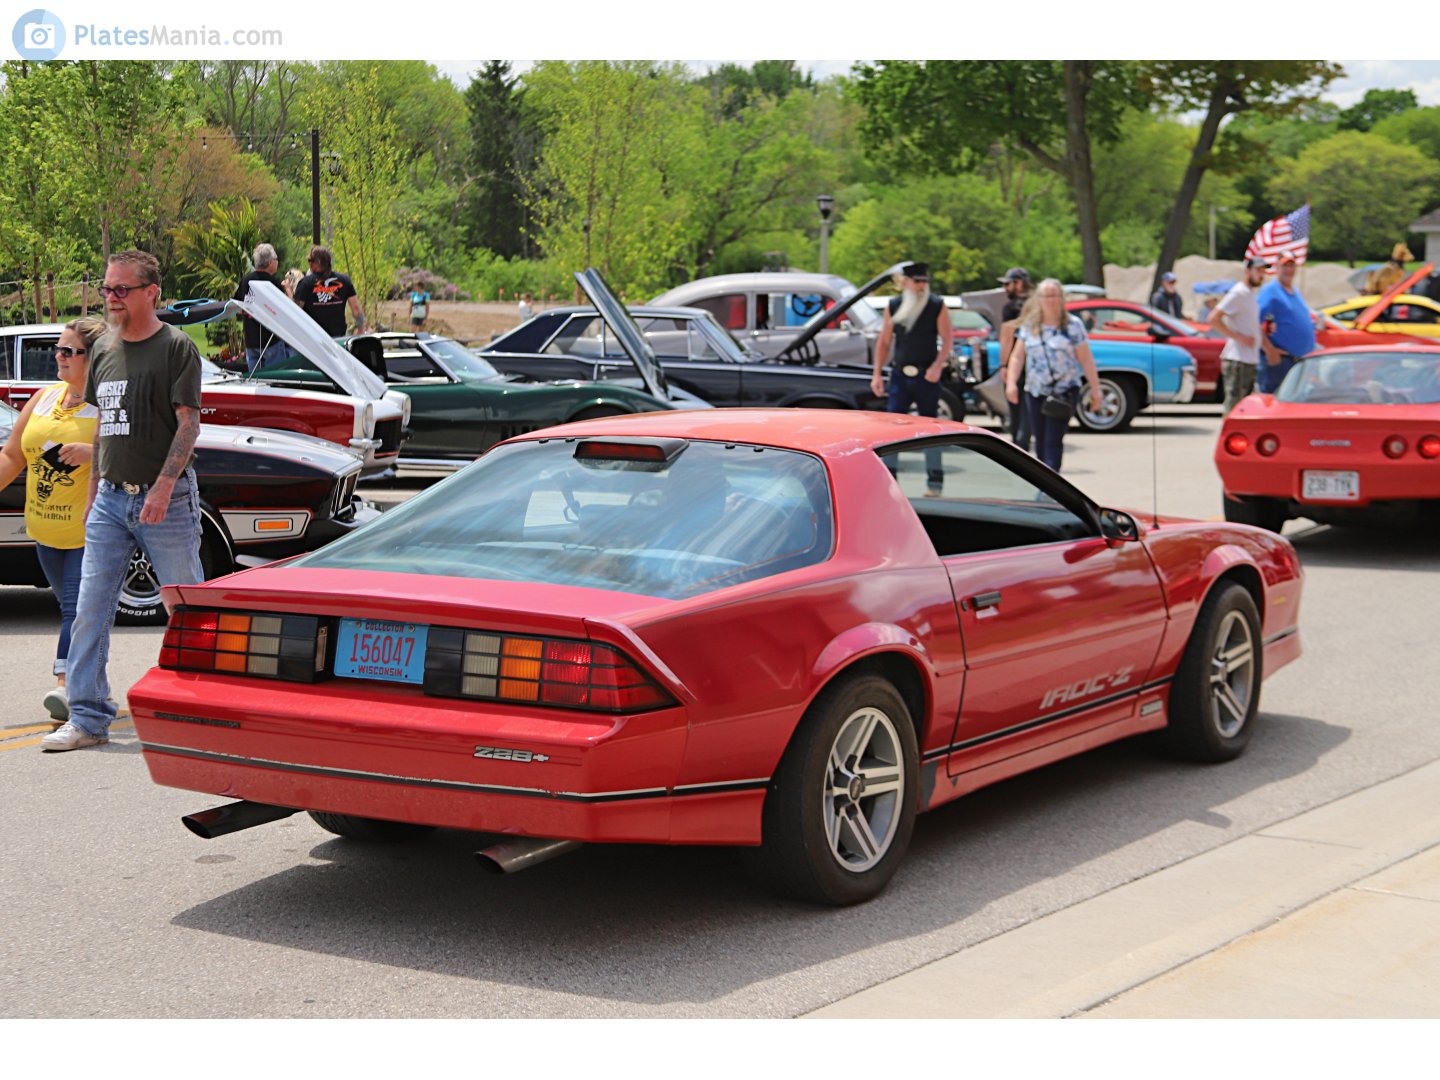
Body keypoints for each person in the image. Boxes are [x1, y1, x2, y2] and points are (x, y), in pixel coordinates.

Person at [41, 250, 205, 753]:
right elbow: (106, 434)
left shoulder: (176, 348)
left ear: (151, 292)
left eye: (121, 290)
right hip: (110, 502)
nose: (111, 298)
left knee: (189, 608)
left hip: (167, 501)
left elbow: (188, 424)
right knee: (89, 609)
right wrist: (94, 498)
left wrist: (160, 488)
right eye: (107, 289)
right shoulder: (106, 350)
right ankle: (88, 718)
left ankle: (202, 712)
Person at [0, 317, 105, 723]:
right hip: (44, 531)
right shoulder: (44, 398)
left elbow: (137, 454)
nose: (57, 357)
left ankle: (66, 689)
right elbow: (12, 455)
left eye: (67, 351)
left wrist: (92, 451)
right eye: (56, 350)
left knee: (75, 612)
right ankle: (90, 684)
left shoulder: (107, 407)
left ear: (92, 359)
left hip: (88, 532)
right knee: (72, 608)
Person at [869, 261, 953, 494]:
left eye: (925, 281)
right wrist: (877, 373)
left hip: (927, 375)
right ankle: (890, 484)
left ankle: (934, 483)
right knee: (891, 431)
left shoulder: (937, 305)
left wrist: (937, 367)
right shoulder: (894, 305)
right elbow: (884, 341)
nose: (921, 286)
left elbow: (947, 340)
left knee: (931, 431)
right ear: (906, 282)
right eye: (917, 281)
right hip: (900, 376)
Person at [1005, 278, 1102, 473]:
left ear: (1061, 298)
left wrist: (1095, 389)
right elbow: (1017, 357)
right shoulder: (1030, 325)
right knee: (1040, 441)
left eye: (1054, 296)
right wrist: (1011, 383)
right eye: (1046, 296)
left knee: (1052, 441)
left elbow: (1085, 359)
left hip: (1063, 393)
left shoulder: (1073, 326)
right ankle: (1047, 485)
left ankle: (1050, 487)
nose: (1050, 300)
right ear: (1038, 299)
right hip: (1035, 391)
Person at [1209, 258, 1268, 414]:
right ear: (1247, 271)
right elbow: (1214, 318)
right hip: (1238, 359)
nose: (1261, 274)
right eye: (1258, 270)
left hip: (1248, 358)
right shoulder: (1238, 292)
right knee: (1234, 408)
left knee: (1244, 409)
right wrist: (1238, 337)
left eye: (1263, 271)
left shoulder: (1248, 293)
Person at [1257, 253, 1316, 394]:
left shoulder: (1294, 290)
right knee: (1274, 402)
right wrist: (1270, 351)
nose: (1289, 269)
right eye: (1285, 266)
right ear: (1277, 267)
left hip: (1297, 360)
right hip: (1280, 361)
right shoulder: (1270, 291)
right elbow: (1255, 323)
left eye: (1291, 266)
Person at [233, 243, 288, 372]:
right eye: (276, 259)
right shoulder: (273, 283)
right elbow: (285, 310)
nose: (277, 262)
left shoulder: (245, 281)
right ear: (270, 262)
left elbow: (237, 304)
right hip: (271, 341)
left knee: (255, 382)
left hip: (251, 340)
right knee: (275, 380)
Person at [292, 245, 364, 338]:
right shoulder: (344, 280)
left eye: (310, 260)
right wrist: (361, 329)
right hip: (338, 338)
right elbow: (356, 309)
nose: (308, 263)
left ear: (316, 263)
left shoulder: (305, 283)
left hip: (313, 338)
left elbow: (296, 311)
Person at [997, 267, 1033, 451]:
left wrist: (1003, 365)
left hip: (1016, 363)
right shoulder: (1037, 305)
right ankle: (1024, 441)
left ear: (1018, 283)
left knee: (1016, 409)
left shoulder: (1010, 307)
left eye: (1007, 283)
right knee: (1030, 407)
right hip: (1035, 364)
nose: (1005, 288)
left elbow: (1006, 337)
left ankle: (1019, 446)